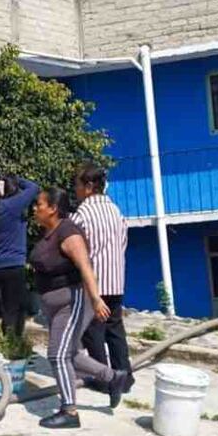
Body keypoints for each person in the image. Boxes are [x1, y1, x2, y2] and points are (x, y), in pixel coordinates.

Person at [30, 188, 134, 429]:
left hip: (72, 301)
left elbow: (85, 265)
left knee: (57, 355)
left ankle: (70, 411)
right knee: (71, 354)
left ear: (53, 208)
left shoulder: (68, 231)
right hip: (55, 305)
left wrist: (97, 299)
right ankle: (114, 377)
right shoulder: (50, 233)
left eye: (39, 204)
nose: (35, 208)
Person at [72, 163, 133, 382]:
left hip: (94, 285)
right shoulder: (115, 210)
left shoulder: (82, 214)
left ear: (88, 186)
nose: (76, 190)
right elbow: (123, 241)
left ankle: (104, 378)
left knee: (92, 331)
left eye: (77, 185)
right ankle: (124, 375)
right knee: (115, 328)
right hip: (116, 279)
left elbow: (73, 246)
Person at [0, 174, 40, 338]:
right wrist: (14, 178)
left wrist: (2, 183)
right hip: (12, 266)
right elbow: (34, 188)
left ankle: (8, 342)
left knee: (7, 309)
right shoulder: (12, 205)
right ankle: (12, 347)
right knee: (16, 310)